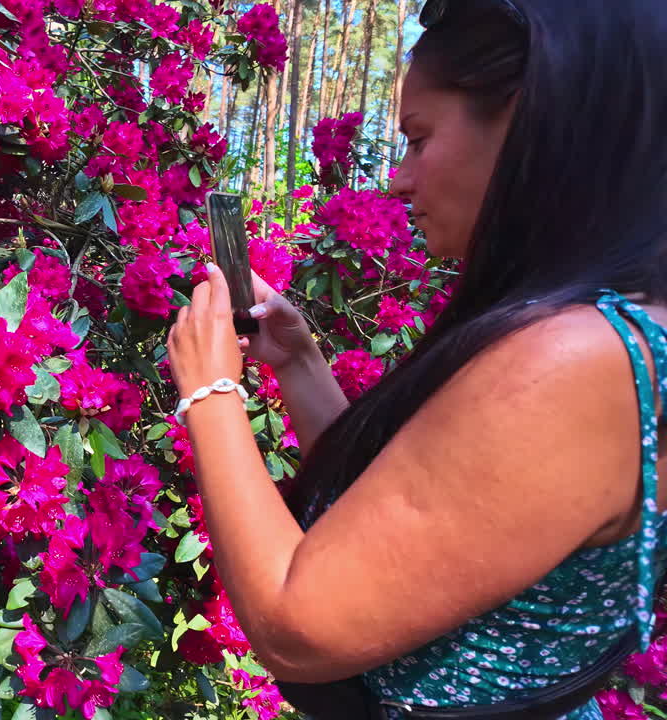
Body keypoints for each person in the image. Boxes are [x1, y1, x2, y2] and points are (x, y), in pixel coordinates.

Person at [166, 0, 667, 717]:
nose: (400, 180)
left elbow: (297, 623)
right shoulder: (609, 332)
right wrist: (300, 364)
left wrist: (209, 392)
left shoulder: (578, 359)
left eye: (417, 138)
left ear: (528, 122)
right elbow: (407, 526)